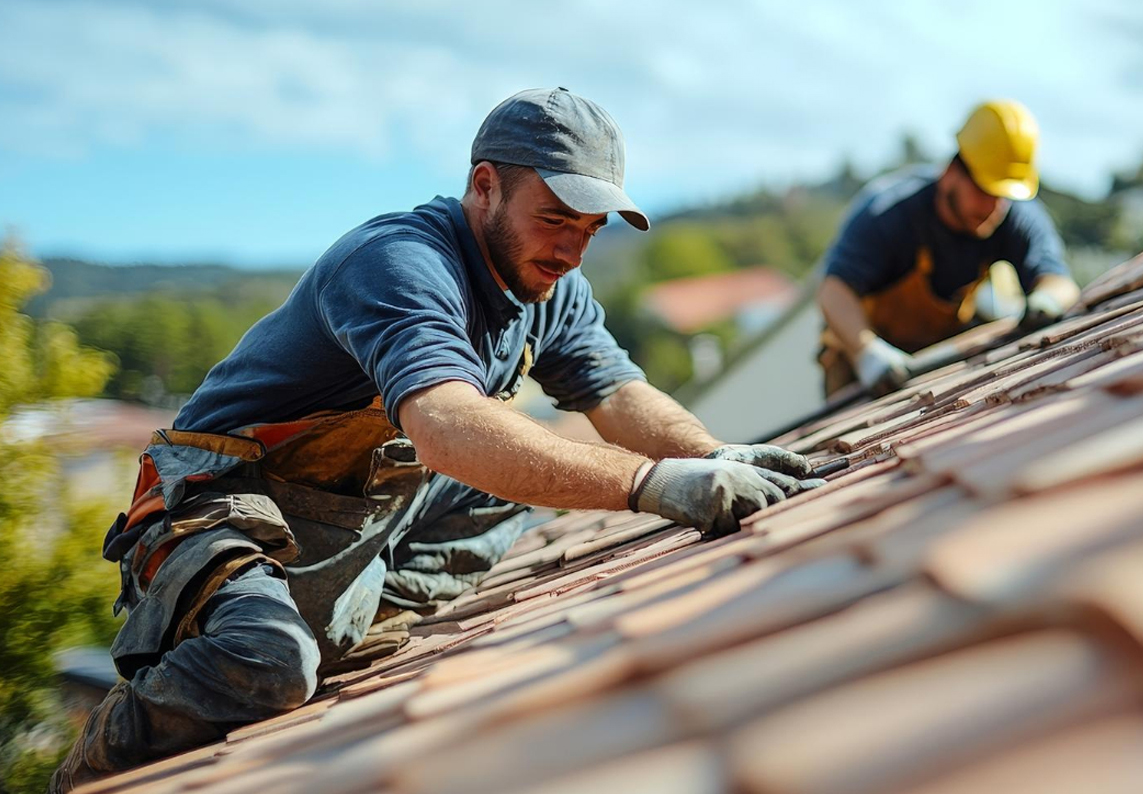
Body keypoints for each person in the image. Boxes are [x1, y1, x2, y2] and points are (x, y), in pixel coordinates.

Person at [52, 88, 820, 792]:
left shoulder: (548, 289)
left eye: (590, 231)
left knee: (516, 488)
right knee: (270, 663)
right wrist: (650, 484)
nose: (571, 251)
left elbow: (616, 392)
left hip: (346, 513)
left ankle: (333, 630)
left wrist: (708, 455)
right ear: (484, 186)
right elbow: (447, 428)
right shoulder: (400, 263)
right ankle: (91, 769)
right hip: (220, 508)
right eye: (555, 219)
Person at [817, 100, 1081, 395]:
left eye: (1002, 194)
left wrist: (1045, 302)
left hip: (938, 354)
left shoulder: (1014, 214)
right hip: (863, 359)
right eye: (984, 190)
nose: (993, 207)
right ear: (950, 173)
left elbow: (1060, 283)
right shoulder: (888, 213)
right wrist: (867, 353)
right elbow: (833, 291)